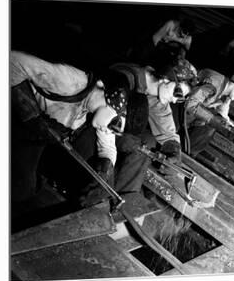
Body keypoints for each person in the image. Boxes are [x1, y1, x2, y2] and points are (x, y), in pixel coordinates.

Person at [9, 50, 127, 208]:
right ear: (108, 100)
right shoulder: (71, 82)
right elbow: (11, 61)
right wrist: (31, 114)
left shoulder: (102, 113)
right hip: (17, 122)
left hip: (43, 137)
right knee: (20, 190)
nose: (109, 129)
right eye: (113, 123)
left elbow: (107, 144)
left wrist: (106, 167)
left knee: (30, 188)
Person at [78, 60, 192, 207]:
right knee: (136, 147)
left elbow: (164, 121)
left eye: (180, 98)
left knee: (147, 144)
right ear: (165, 78)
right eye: (177, 93)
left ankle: (123, 200)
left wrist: (173, 149)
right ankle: (101, 193)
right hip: (90, 125)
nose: (176, 101)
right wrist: (108, 162)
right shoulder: (125, 79)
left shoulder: (153, 90)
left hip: (111, 129)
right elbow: (103, 122)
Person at [182, 69, 234, 156]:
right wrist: (212, 119)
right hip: (179, 106)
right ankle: (188, 151)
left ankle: (192, 149)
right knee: (211, 124)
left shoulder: (226, 89)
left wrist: (227, 123)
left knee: (217, 121)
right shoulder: (213, 84)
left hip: (188, 111)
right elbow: (190, 105)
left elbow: (223, 108)